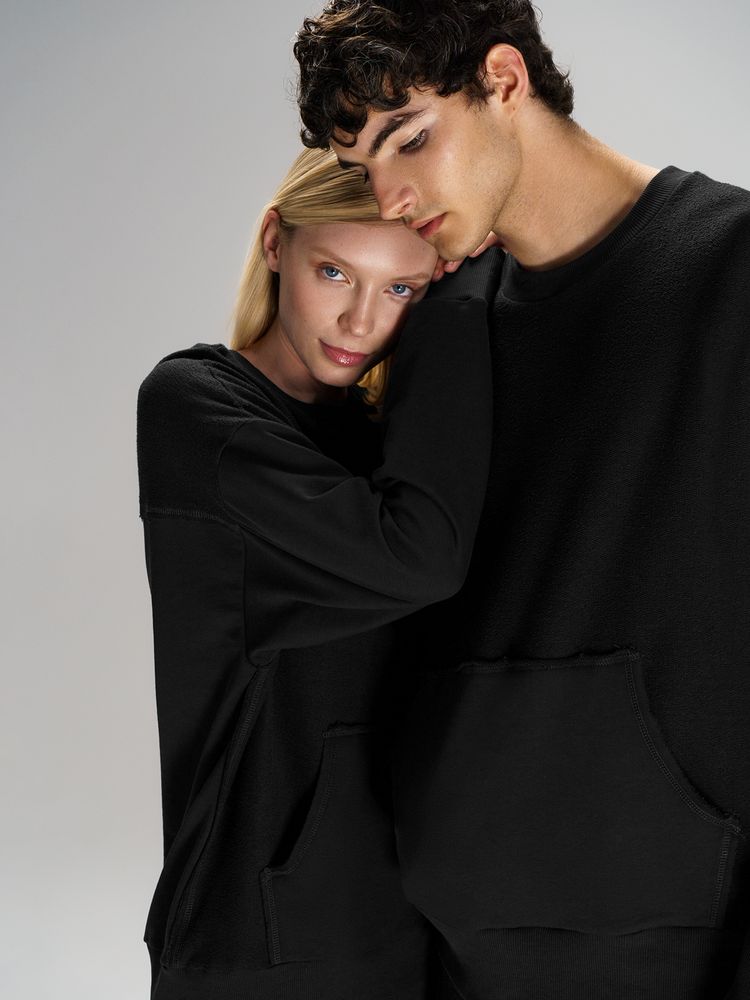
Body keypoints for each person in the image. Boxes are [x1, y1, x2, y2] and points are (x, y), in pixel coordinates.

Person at [293, 2, 750, 998]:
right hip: (452, 942)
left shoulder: (731, 268)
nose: (393, 195)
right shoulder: (442, 320)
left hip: (670, 936)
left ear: (505, 80)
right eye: (366, 166)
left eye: (411, 138)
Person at [136, 145, 503, 1000]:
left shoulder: (393, 446)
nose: (360, 321)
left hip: (402, 917)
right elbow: (418, 559)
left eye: (403, 289)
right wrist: (459, 299)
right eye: (334, 272)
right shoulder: (198, 408)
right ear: (276, 243)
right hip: (254, 931)